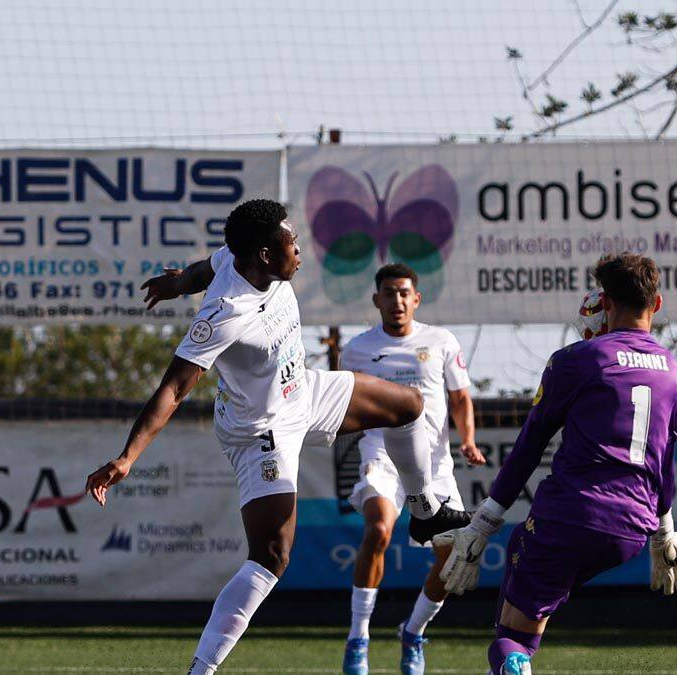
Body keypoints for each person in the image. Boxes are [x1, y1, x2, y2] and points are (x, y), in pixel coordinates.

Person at [83, 199, 469, 675]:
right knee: (272, 556)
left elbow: (203, 268)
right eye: (291, 241)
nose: (299, 248)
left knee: (409, 404)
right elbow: (174, 388)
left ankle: (425, 512)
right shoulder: (225, 312)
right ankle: (201, 669)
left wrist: (176, 283)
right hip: (259, 430)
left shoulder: (236, 256)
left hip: (301, 390)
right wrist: (128, 456)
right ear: (266, 254)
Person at [437, 253, 677, 675]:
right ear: (658, 303)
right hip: (631, 531)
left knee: (510, 639)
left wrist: (482, 523)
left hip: (571, 516)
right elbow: (664, 459)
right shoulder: (671, 368)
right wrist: (662, 531)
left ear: (606, 302)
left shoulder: (579, 359)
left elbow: (528, 446)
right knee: (526, 631)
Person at [339, 262, 485, 675]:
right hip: (381, 455)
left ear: (416, 299)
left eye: (404, 293)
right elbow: (346, 402)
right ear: (377, 300)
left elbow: (460, 398)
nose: (397, 300)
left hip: (434, 466)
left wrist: (468, 440)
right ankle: (358, 638)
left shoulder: (440, 340)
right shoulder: (356, 349)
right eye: (389, 293)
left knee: (454, 554)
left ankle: (413, 631)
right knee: (378, 529)